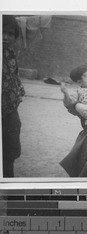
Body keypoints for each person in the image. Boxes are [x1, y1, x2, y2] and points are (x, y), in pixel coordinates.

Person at [2, 15, 25, 177]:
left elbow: (15, 81)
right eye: (1, 32)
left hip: (10, 111)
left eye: (10, 34)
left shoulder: (10, 55)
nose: (5, 37)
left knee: (10, 152)